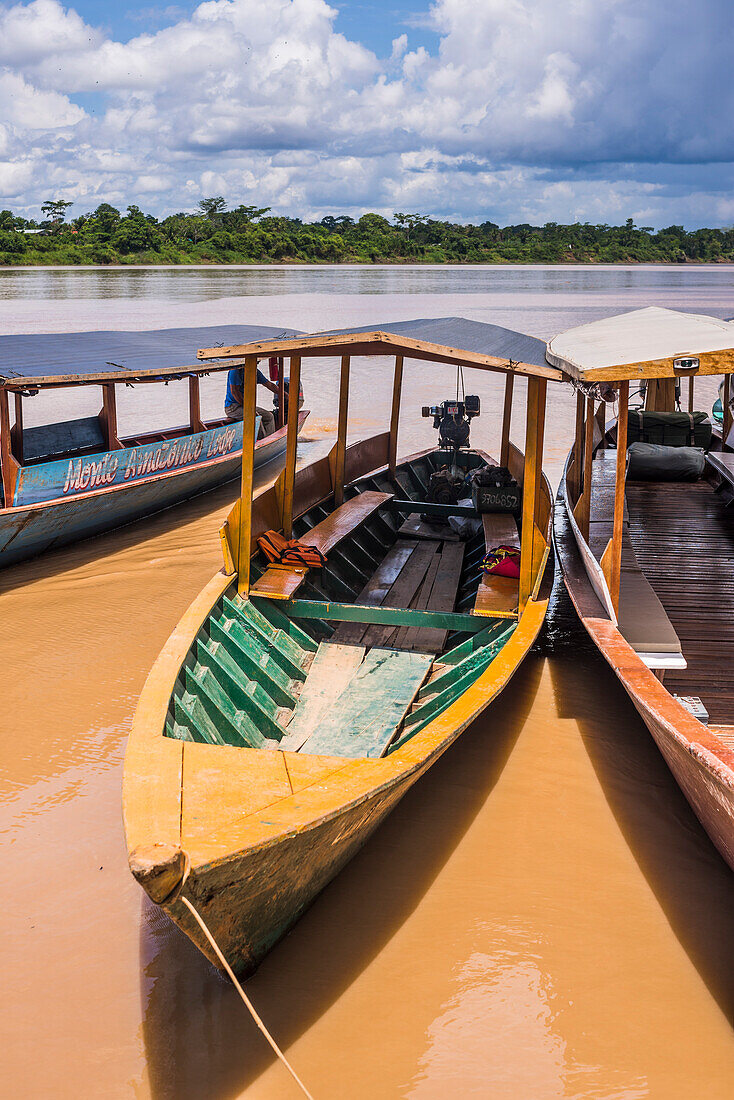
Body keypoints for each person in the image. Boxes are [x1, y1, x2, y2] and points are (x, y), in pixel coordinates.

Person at [224, 365, 278, 437]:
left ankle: (269, 439)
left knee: (269, 416)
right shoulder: (235, 370)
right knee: (255, 416)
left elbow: (270, 385)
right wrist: (249, 408)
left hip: (245, 406)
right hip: (233, 408)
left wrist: (285, 395)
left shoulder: (254, 371)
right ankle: (261, 441)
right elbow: (234, 391)